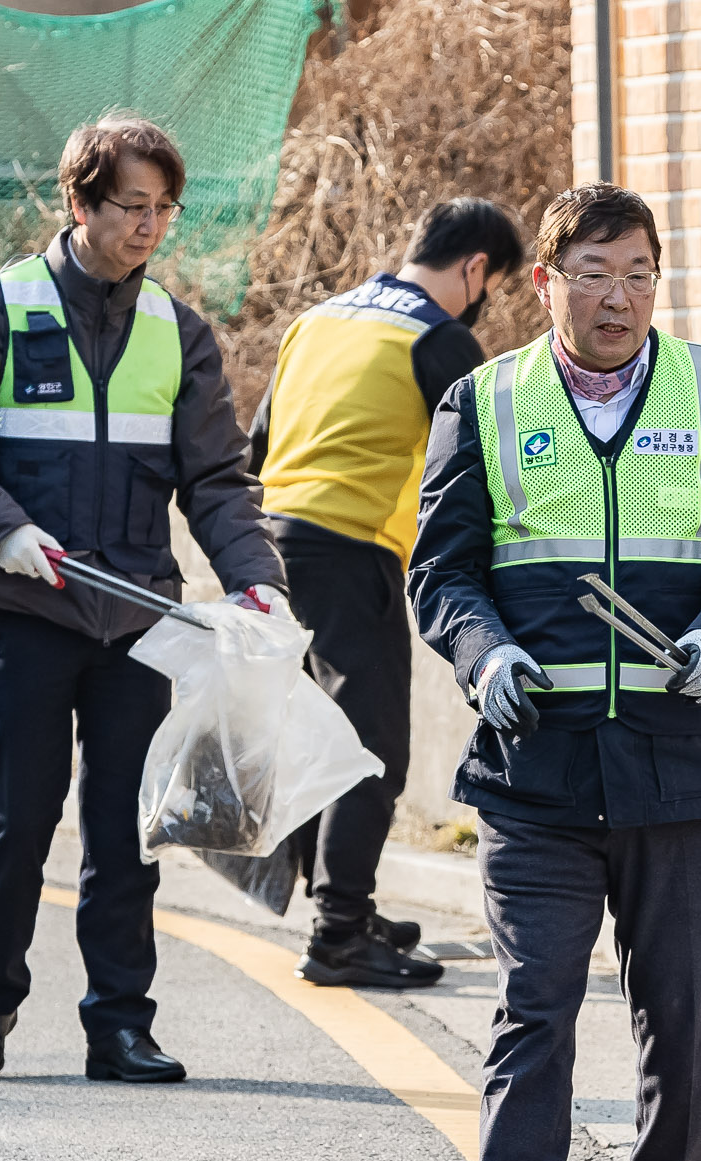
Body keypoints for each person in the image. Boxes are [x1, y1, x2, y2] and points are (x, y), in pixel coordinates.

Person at [410, 183, 701, 1161]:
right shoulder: (483, 400)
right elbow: (441, 569)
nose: (615, 295)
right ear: (546, 280)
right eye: (591, 272)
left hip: (680, 765)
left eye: (635, 272)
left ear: (657, 281)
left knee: (676, 1002)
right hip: (538, 765)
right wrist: (482, 655)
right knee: (534, 992)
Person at [0, 113, 286, 1086]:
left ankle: (120, 1023)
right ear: (79, 202)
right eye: (130, 207)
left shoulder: (176, 332)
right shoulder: (2, 310)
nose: (149, 227)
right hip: (28, 607)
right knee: (18, 816)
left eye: (163, 209)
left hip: (136, 612)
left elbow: (217, 481)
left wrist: (255, 575)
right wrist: (1, 527)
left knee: (123, 827)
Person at [251, 199, 528, 990]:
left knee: (316, 736)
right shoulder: (438, 340)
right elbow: (482, 466)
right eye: (493, 283)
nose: (486, 299)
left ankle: (346, 907)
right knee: (370, 748)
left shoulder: (319, 320)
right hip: (350, 550)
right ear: (475, 267)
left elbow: (257, 446)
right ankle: (338, 934)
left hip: (270, 545)